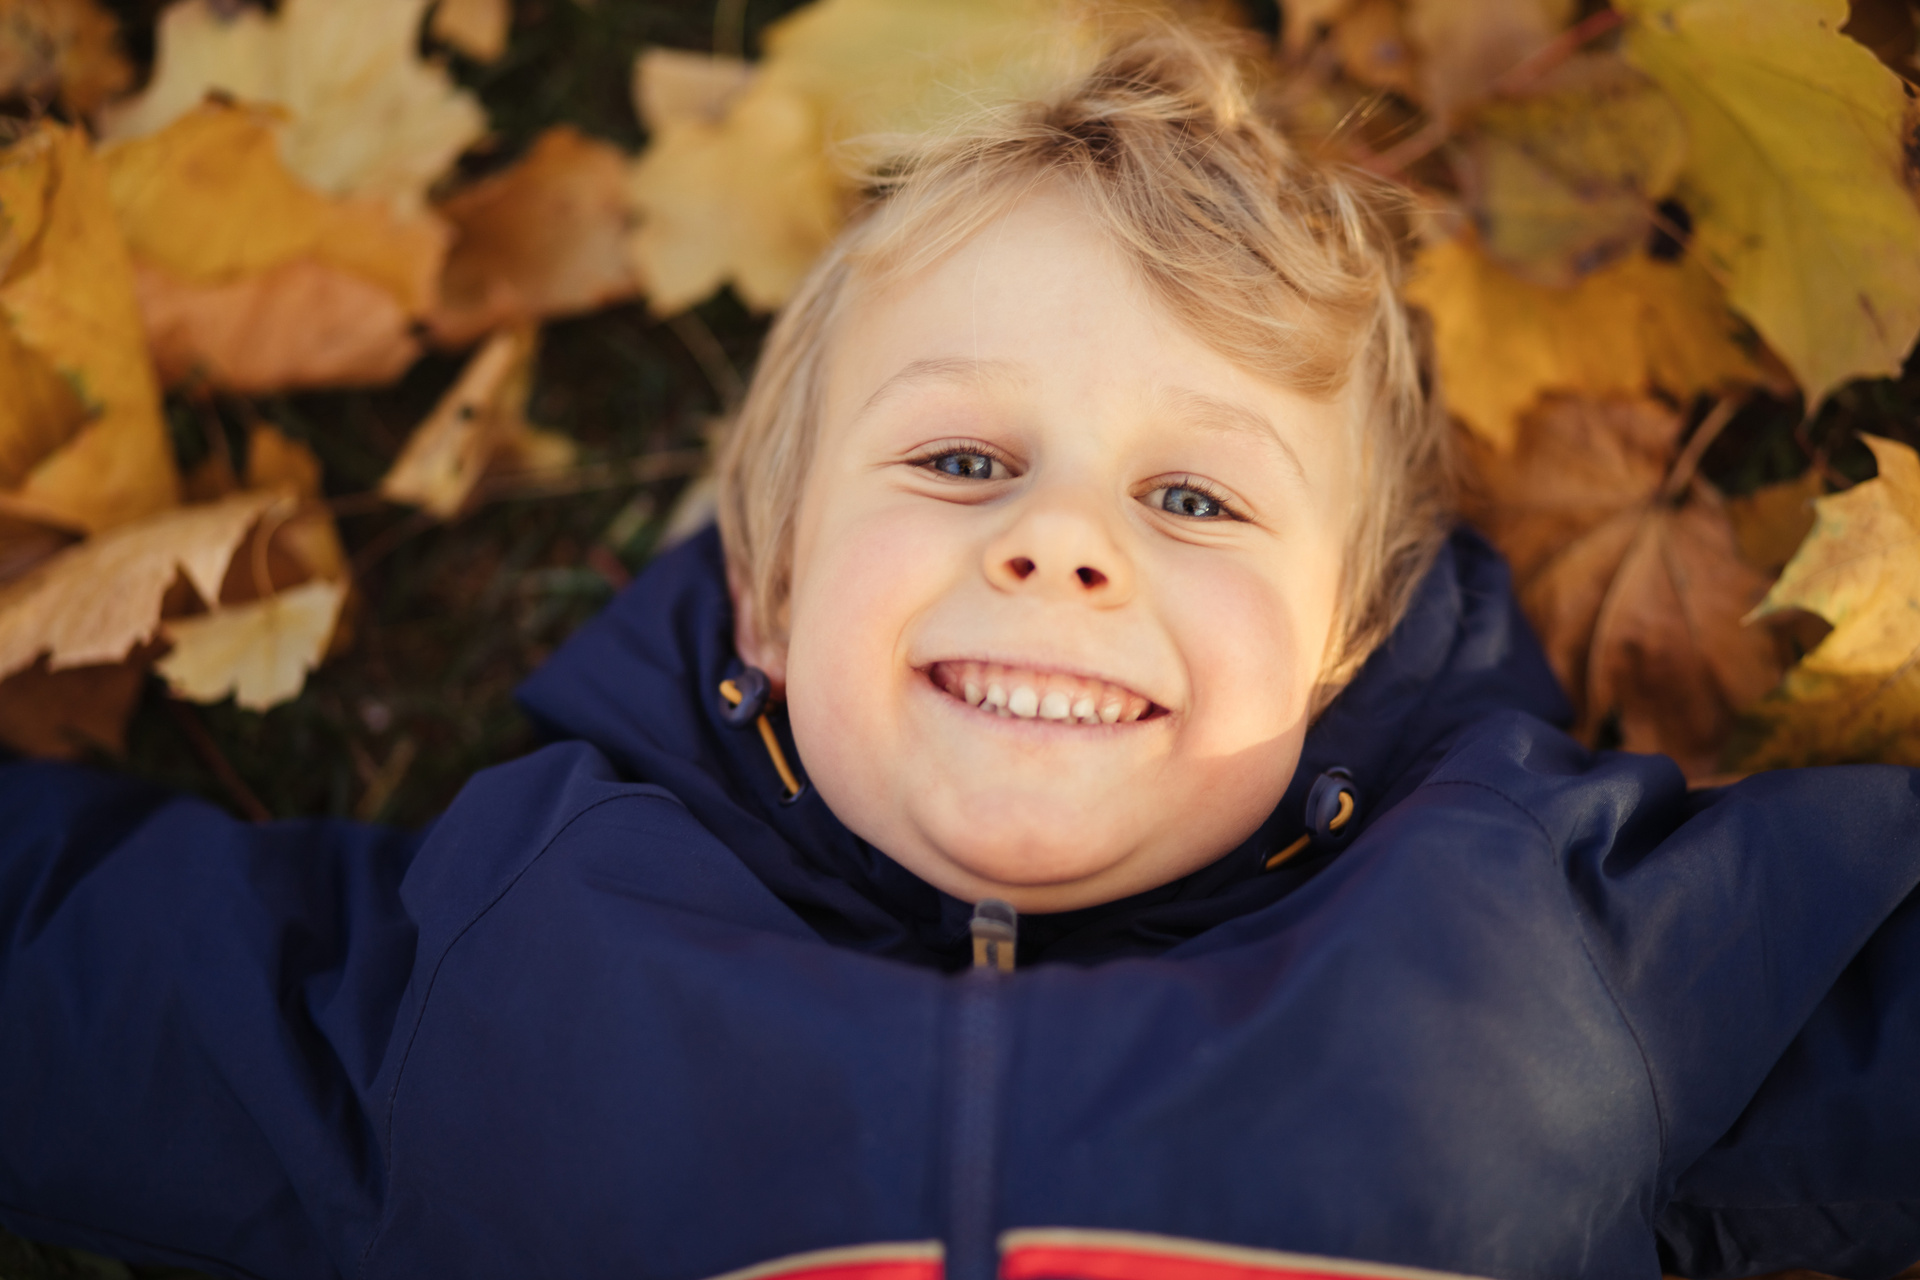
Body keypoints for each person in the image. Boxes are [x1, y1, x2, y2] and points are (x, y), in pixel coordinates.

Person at [2, 19, 1916, 1280]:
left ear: (1341, 653)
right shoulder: (499, 961)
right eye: (963, 460)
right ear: (763, 595)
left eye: (1193, 499)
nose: (1062, 541)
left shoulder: (1559, 956)